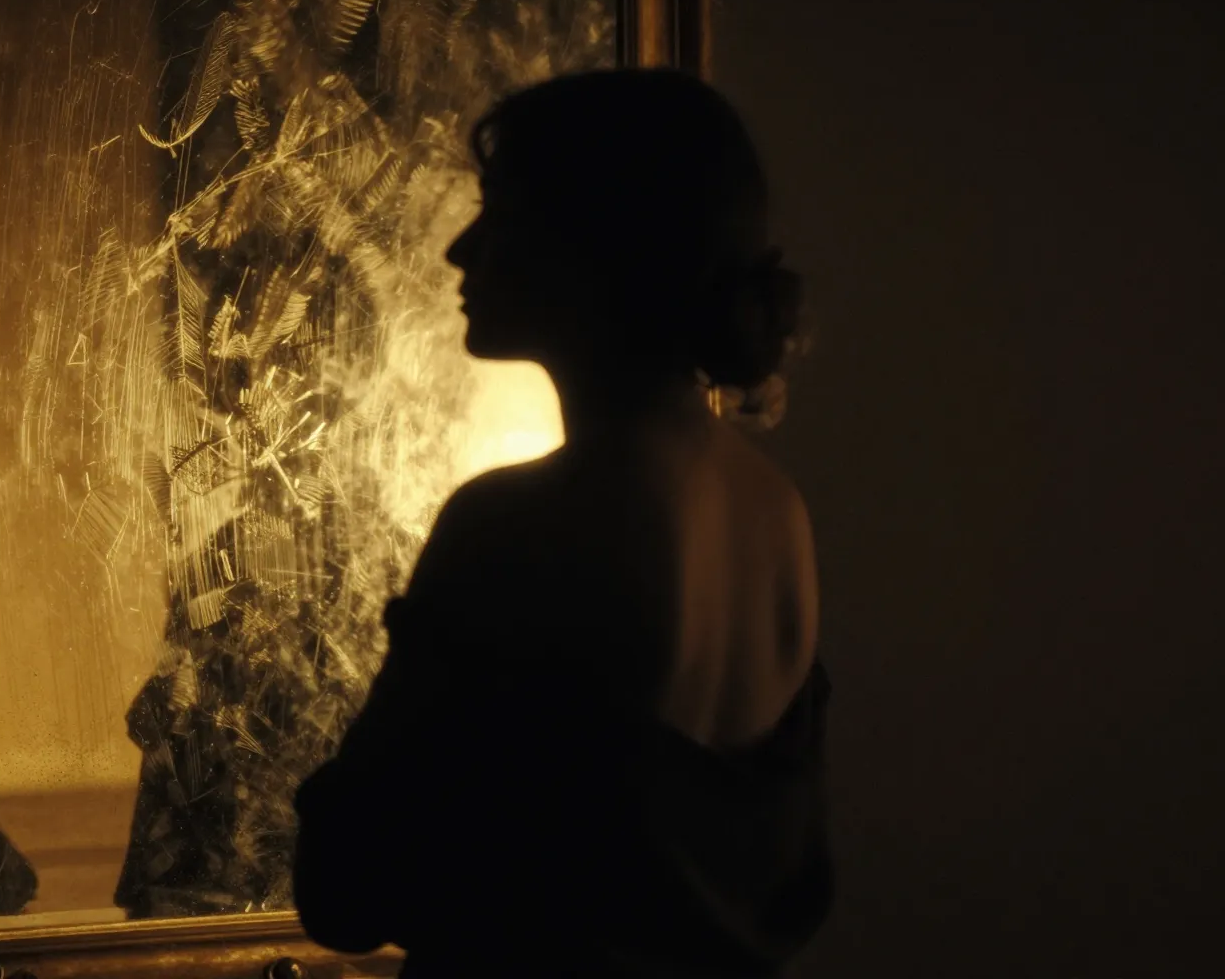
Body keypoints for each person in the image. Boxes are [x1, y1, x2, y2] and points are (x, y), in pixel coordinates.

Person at [292, 69, 832, 978]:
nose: (460, 250)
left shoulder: (521, 522)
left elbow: (346, 887)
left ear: (597, 248)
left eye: (500, 215)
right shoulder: (777, 514)